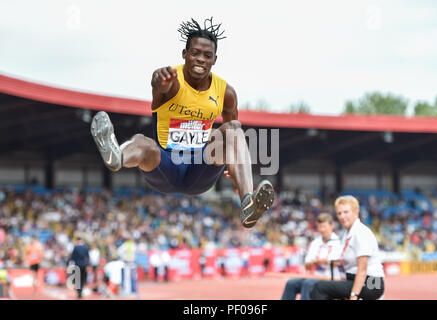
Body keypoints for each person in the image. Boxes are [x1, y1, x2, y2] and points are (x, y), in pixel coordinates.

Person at [90, 17, 274, 228]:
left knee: (233, 129)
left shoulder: (226, 92)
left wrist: (236, 169)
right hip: (165, 167)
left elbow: (234, 139)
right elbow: (159, 84)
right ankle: (117, 157)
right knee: (142, 142)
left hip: (200, 170)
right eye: (195, 53)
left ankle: (247, 204)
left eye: (207, 55)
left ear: (214, 59)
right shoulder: (170, 79)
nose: (200, 59)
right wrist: (159, 82)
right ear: (185, 54)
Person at [310, 196, 385, 300]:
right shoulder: (347, 233)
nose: (342, 216)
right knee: (322, 288)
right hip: (354, 279)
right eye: (339, 213)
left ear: (356, 212)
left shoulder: (361, 233)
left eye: (346, 212)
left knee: (319, 288)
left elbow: (362, 269)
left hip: (372, 283)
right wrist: (325, 261)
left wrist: (354, 295)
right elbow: (342, 260)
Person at [281, 213, 342, 300]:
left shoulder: (338, 242)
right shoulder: (315, 242)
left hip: (330, 278)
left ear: (331, 226)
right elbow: (307, 264)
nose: (322, 230)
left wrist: (321, 261)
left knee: (308, 283)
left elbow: (336, 262)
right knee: (291, 283)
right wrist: (313, 263)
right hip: (315, 276)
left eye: (324, 226)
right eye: (319, 227)